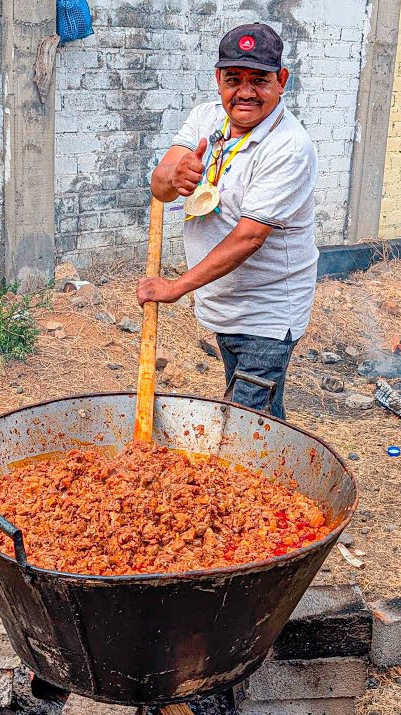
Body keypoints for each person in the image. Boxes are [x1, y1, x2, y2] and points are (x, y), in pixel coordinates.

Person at [139, 23, 318, 420]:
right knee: (261, 419)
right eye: (234, 79)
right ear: (218, 79)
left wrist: (175, 288)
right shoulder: (206, 118)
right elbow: (159, 186)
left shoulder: (289, 147)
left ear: (282, 80)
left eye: (259, 80)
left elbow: (249, 237)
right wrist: (173, 176)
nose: (245, 92)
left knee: (243, 424)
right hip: (225, 306)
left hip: (267, 314)